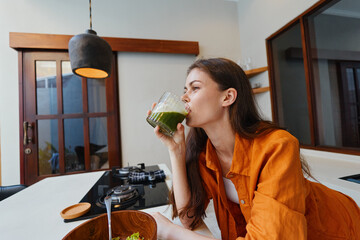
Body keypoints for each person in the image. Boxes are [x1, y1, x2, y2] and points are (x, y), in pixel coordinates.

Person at [149, 58, 360, 240]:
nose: (184, 97)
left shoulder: (277, 146)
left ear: (228, 97)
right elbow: (188, 218)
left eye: (195, 88)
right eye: (185, 90)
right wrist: (176, 151)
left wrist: (168, 231)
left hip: (340, 230)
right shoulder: (205, 154)